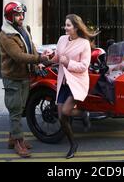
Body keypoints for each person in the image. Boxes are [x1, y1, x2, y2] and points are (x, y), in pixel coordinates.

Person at [0, 1, 49, 158]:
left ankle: (12, 138)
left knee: (19, 109)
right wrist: (39, 58)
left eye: (22, 14)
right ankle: (18, 143)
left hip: (25, 76)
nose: (21, 17)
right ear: (9, 17)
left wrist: (38, 62)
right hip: (13, 78)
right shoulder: (6, 35)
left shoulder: (23, 29)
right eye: (17, 15)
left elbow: (30, 47)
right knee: (15, 109)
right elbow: (18, 56)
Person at [45, 14, 97, 159]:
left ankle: (83, 113)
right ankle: (73, 144)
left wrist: (68, 63)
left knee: (66, 111)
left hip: (77, 82)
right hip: (63, 82)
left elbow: (84, 66)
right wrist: (46, 59)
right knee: (61, 117)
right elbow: (57, 57)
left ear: (76, 27)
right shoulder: (62, 39)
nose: (65, 28)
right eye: (65, 25)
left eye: (68, 25)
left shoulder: (84, 43)